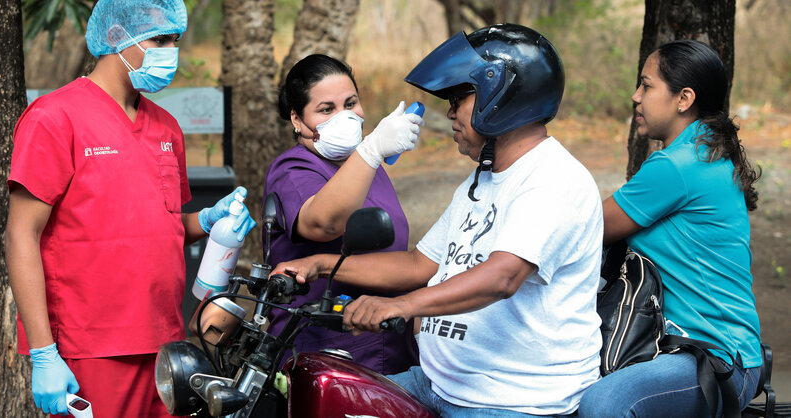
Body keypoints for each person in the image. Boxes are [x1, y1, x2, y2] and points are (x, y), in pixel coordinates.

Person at [274, 24, 603, 416]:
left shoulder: (552, 180)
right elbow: (420, 263)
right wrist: (323, 264)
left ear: (502, 100)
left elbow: (502, 277)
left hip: (511, 400)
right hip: (437, 383)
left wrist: (402, 307)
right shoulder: (483, 178)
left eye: (459, 98)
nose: (449, 112)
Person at [5, 0, 256, 416]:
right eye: (159, 39)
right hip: (91, 346)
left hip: (165, 345)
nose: (170, 52)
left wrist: (209, 220)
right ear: (117, 36)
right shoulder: (53, 118)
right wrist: (44, 353)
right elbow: (21, 234)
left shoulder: (167, 127)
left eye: (175, 40)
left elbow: (165, 226)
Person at [578, 40, 763, 418]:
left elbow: (583, 231)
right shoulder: (704, 151)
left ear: (684, 98)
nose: (635, 97)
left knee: (606, 403)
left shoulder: (677, 166)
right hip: (703, 351)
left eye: (646, 86)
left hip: (711, 358)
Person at [263, 54, 423, 375]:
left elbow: (396, 256)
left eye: (351, 104)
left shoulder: (367, 167)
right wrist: (372, 148)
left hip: (390, 344)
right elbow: (324, 223)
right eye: (326, 109)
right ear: (297, 119)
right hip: (327, 351)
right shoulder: (294, 169)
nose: (345, 116)